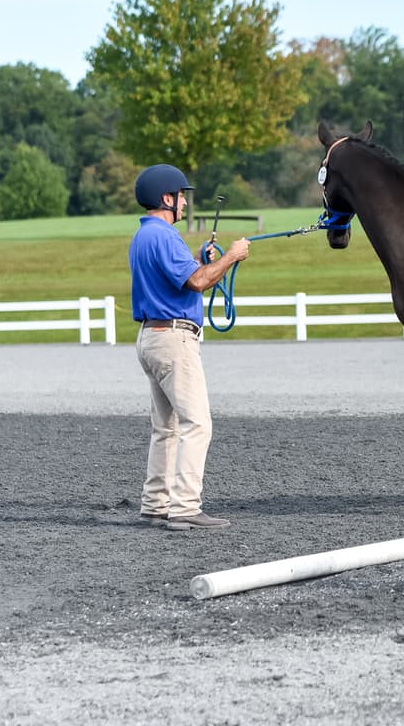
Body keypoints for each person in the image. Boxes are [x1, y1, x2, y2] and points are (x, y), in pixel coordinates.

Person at [129, 164, 250, 531]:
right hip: (174, 340)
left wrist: (199, 257)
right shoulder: (165, 237)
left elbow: (183, 276)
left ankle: (155, 504)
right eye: (181, 196)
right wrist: (232, 257)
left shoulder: (144, 236)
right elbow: (197, 282)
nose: (184, 203)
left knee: (165, 427)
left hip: (152, 337)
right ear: (167, 198)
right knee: (198, 424)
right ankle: (185, 508)